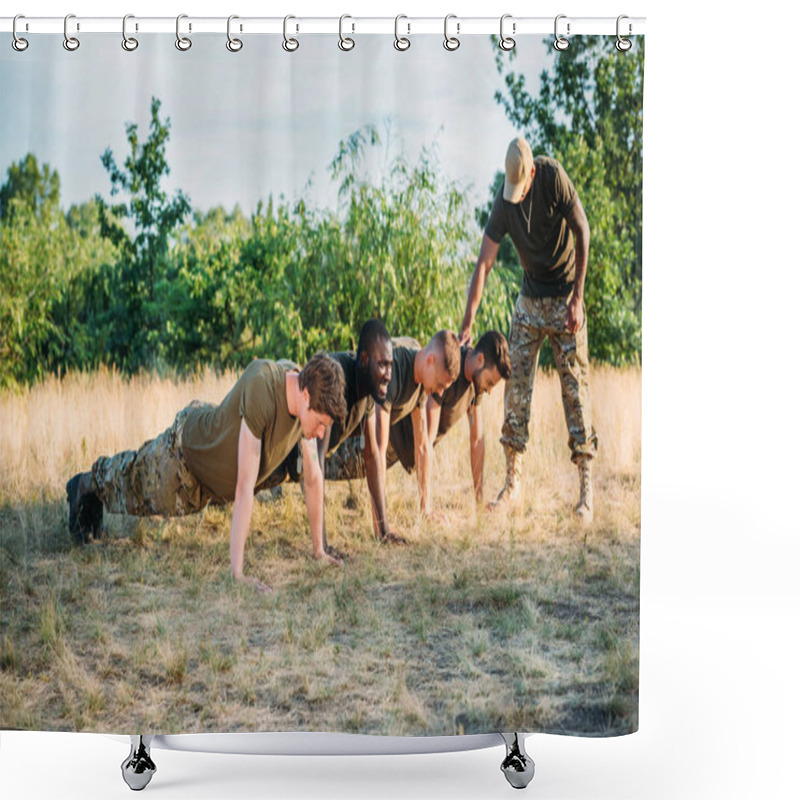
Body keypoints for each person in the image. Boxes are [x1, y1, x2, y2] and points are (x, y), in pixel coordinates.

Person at [65, 353, 348, 593]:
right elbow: (244, 486)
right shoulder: (263, 386)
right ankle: (84, 485)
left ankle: (92, 492)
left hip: (208, 484)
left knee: (134, 490)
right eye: (321, 423)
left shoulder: (305, 398)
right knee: (132, 484)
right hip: (185, 456)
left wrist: (319, 551)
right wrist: (238, 575)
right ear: (306, 394)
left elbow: (312, 477)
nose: (322, 432)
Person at [459, 136, 599, 521]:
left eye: (522, 189)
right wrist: (468, 320)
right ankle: (512, 484)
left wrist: (577, 298)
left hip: (565, 297)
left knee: (575, 390)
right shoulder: (505, 200)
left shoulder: (552, 176)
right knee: (514, 388)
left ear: (532, 173)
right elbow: (484, 263)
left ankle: (586, 491)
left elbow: (582, 230)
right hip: (529, 301)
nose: (517, 197)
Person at [266, 319, 401, 549]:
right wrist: (323, 547)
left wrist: (383, 530)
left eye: (390, 365)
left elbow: (371, 456)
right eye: (382, 365)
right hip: (279, 453)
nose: (388, 374)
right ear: (365, 360)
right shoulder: (335, 378)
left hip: (299, 461)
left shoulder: (369, 390)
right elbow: (314, 466)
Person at [390, 330, 511, 507]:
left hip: (408, 453)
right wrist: (427, 508)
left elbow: (477, 440)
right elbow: (426, 442)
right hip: (393, 439)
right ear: (480, 359)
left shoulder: (476, 385)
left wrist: (479, 501)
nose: (490, 390)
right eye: (490, 383)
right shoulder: (449, 370)